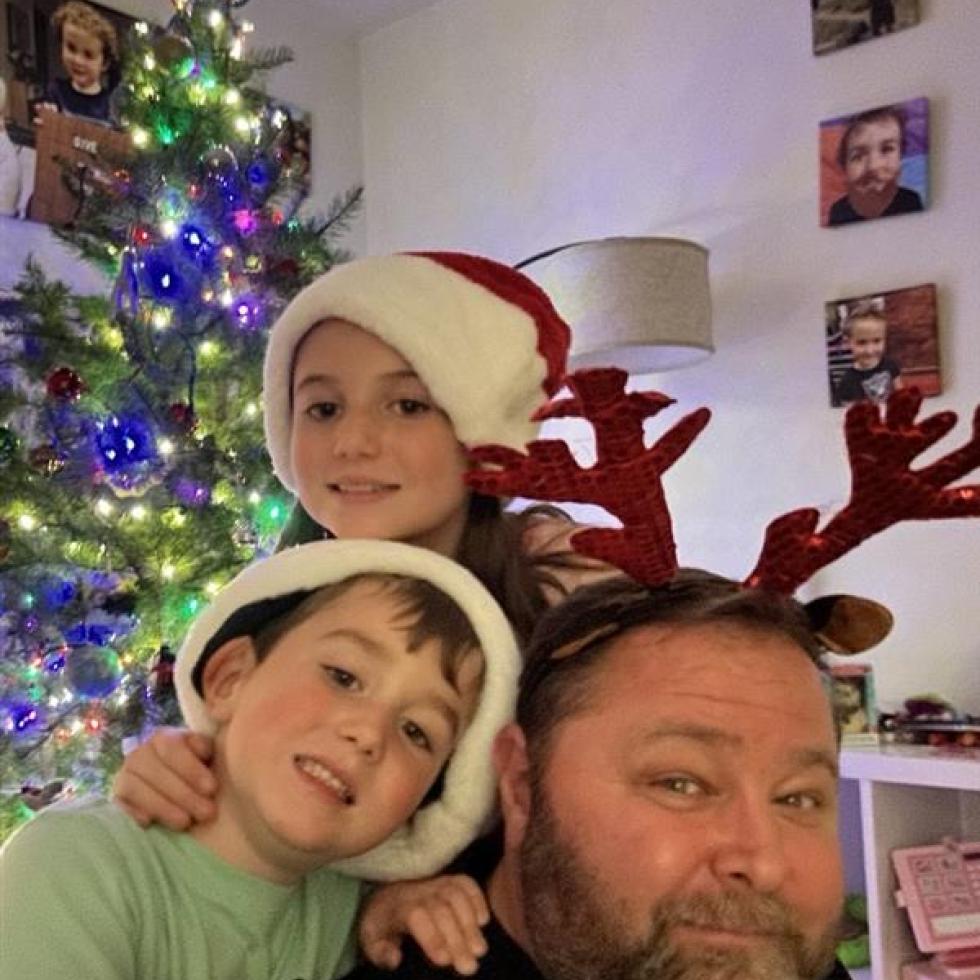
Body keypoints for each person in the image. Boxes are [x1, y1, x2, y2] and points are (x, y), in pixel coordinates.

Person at [113, 251, 612, 828]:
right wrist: (173, 773)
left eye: (406, 405)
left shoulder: (568, 579)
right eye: (323, 408)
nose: (352, 441)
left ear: (479, 428)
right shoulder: (289, 599)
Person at [0, 538, 522, 980]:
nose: (369, 734)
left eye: (417, 732)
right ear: (230, 679)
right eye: (343, 676)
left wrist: (390, 909)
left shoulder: (349, 917)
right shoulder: (77, 866)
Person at [349, 570, 854, 980]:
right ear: (522, 783)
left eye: (798, 799)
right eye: (681, 783)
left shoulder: (759, 953)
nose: (762, 865)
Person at [827, 105, 923, 226]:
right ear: (844, 167)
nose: (873, 166)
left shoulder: (911, 201)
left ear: (901, 155)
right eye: (858, 156)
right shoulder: (838, 211)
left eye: (887, 149)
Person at [33, 1, 120, 126]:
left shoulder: (110, 106)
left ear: (105, 63)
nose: (78, 60)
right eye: (71, 48)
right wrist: (45, 118)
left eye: (88, 55)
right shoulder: (56, 91)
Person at [833, 300, 903, 405]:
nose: (870, 351)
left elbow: (902, 395)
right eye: (861, 342)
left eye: (877, 341)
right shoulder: (847, 382)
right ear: (848, 343)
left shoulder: (891, 365)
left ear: (885, 339)